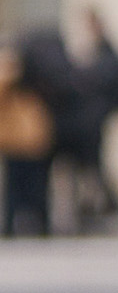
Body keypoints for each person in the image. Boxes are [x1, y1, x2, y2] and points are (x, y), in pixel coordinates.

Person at [57, 8, 118, 227]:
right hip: (90, 120)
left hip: (91, 120)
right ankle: (96, 205)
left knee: (91, 165)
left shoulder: (105, 52)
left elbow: (101, 82)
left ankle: (103, 204)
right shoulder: (98, 50)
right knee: (90, 165)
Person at [0, 29, 69, 237]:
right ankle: (36, 224)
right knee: (29, 185)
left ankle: (23, 225)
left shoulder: (17, 70)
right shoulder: (43, 73)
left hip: (21, 136)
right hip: (29, 137)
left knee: (21, 186)